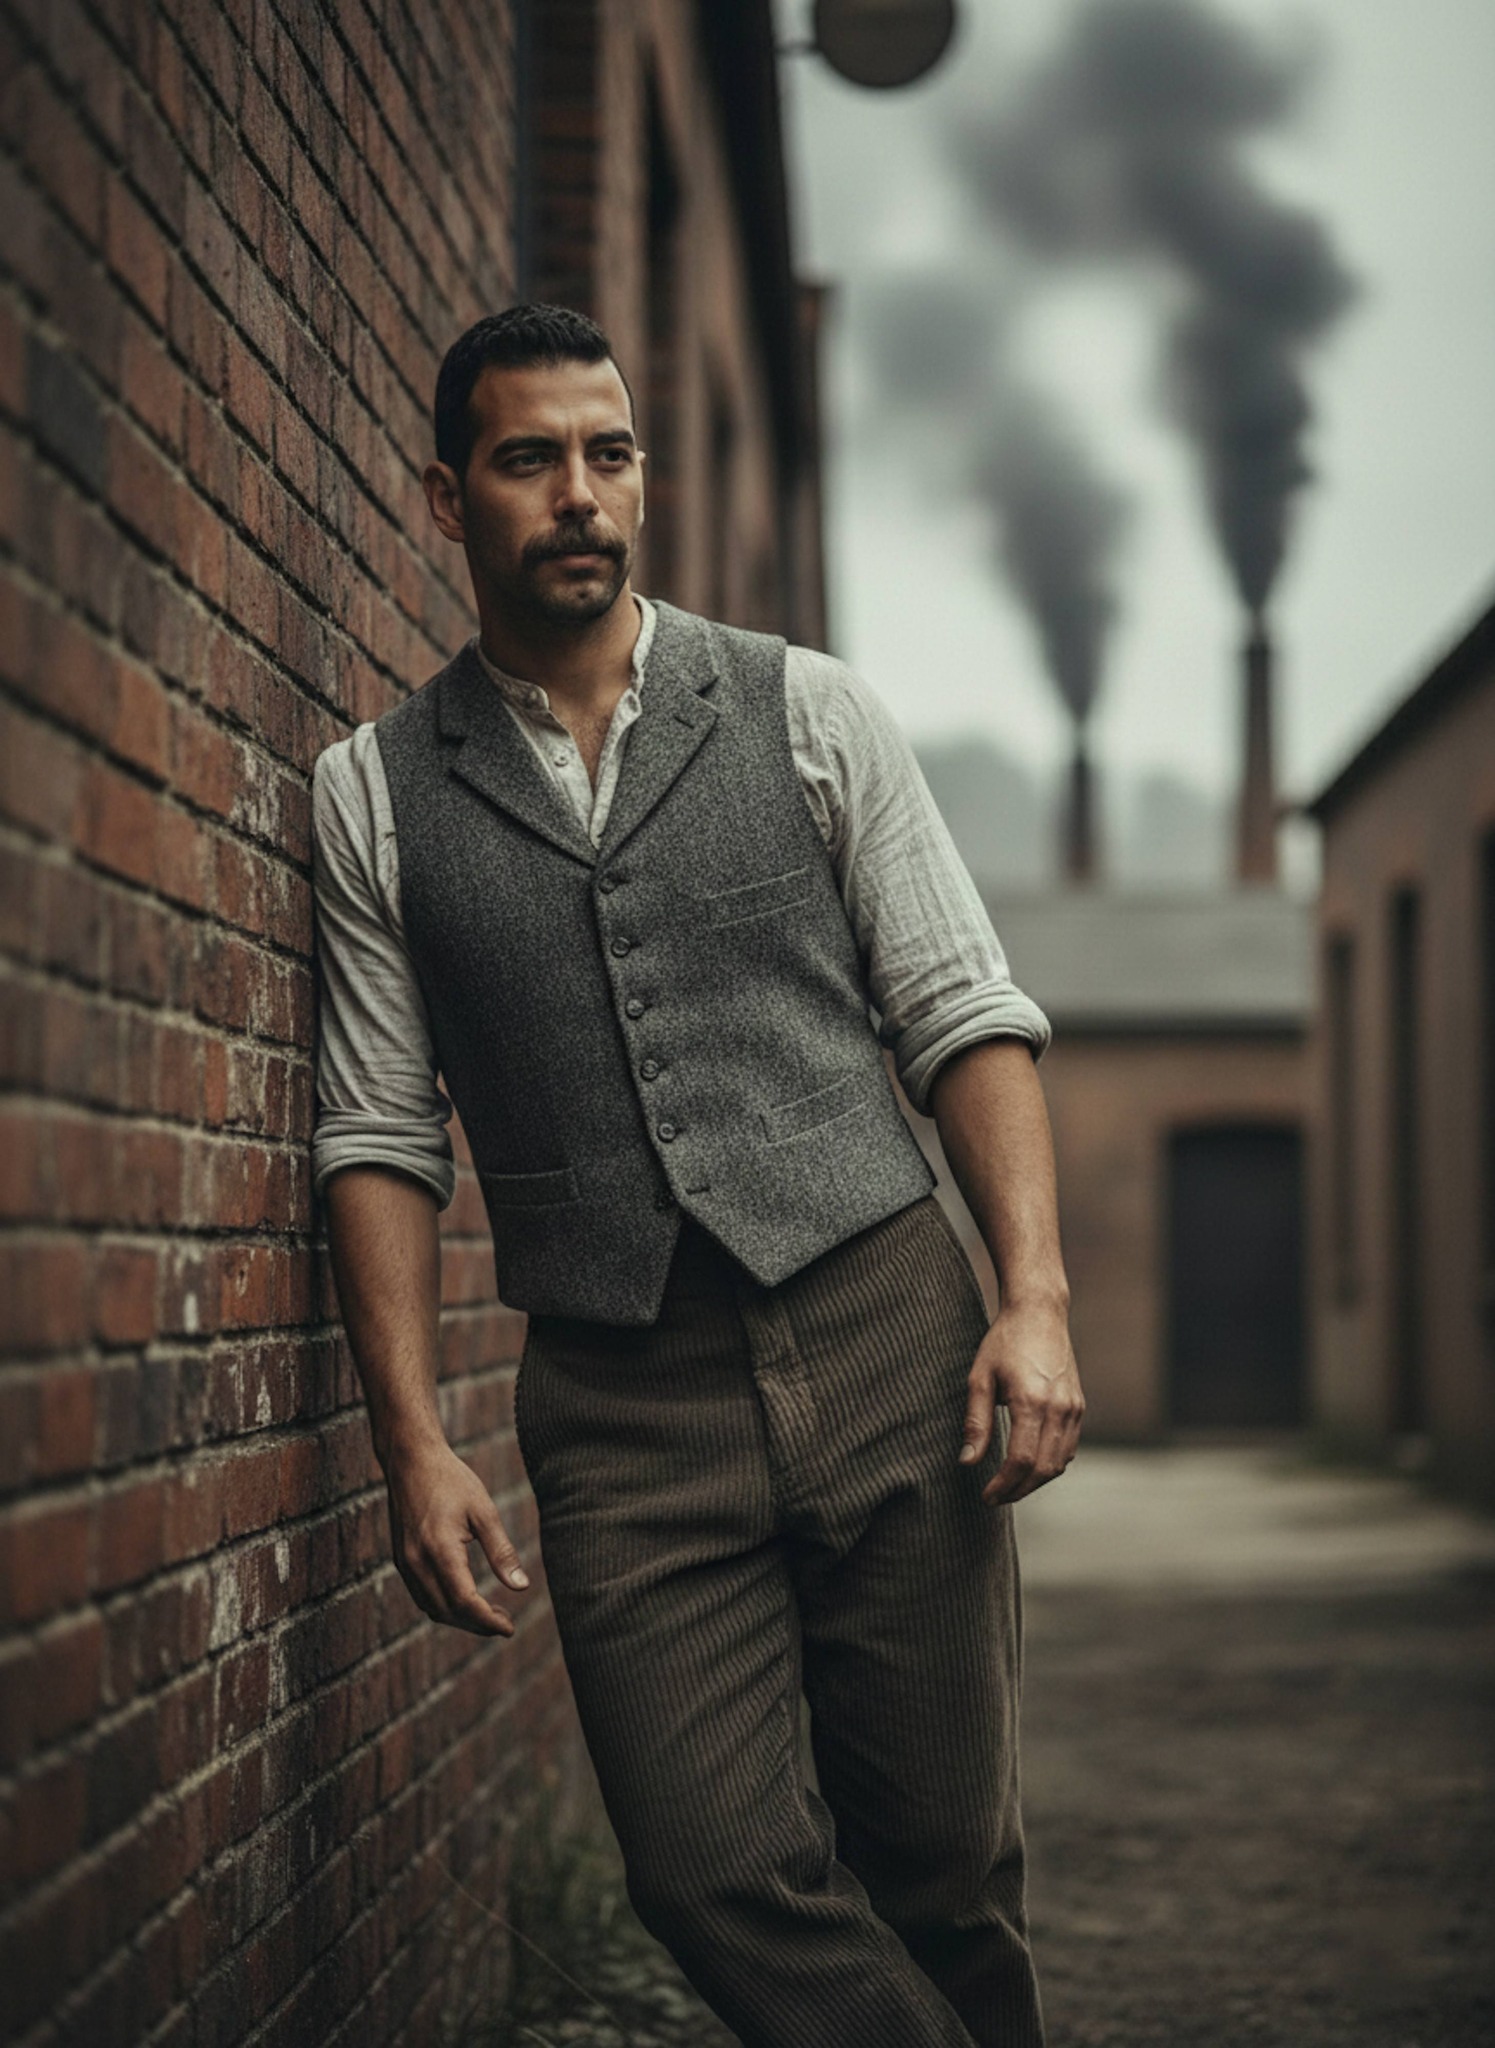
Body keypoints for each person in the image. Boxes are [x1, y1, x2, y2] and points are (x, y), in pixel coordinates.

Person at [310, 302, 1084, 2048]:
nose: (579, 496)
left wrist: (1031, 1299)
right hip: (620, 1398)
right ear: (448, 499)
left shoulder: (808, 709)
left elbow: (964, 1011)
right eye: (529, 461)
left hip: (887, 1330)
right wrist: (414, 1440)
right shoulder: (369, 795)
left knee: (944, 1866)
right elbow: (373, 1130)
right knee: (707, 1868)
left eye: (609, 453)